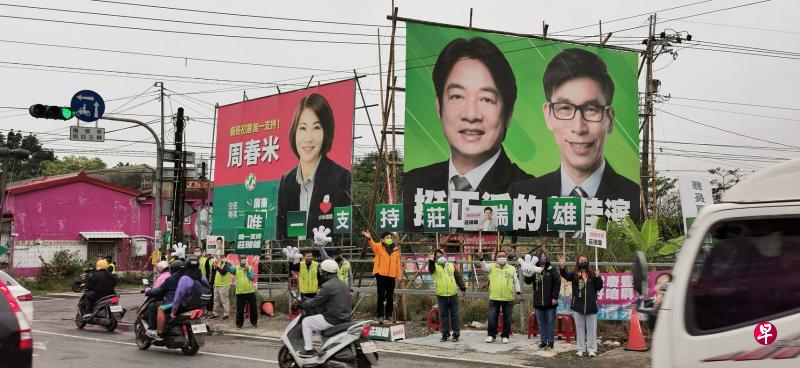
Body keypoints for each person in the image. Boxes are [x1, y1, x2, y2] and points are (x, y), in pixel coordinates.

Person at [403, 36, 533, 232]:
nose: (471, 115)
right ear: (439, 106)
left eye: (486, 99)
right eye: (457, 96)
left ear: (508, 113)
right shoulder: (411, 185)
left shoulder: (530, 192)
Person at [509, 48, 640, 224]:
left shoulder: (633, 197)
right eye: (565, 108)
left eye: (591, 109)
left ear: (609, 119)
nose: (579, 128)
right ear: (548, 116)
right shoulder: (522, 195)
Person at [276, 93, 352, 239]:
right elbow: (281, 235)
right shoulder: (286, 182)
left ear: (326, 132)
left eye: (316, 128)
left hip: (324, 259)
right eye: (303, 128)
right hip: (294, 259)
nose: (308, 138)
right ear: (294, 132)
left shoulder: (340, 177)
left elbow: (341, 234)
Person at [298, 259, 352, 357]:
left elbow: (316, 302)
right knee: (317, 320)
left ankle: (309, 350)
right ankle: (323, 349)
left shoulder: (327, 286)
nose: (321, 272)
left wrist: (303, 304)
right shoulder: (343, 284)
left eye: (322, 271)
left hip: (333, 318)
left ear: (325, 272)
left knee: (306, 322)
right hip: (346, 318)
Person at [558, 254, 603, 357]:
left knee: (591, 329)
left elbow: (599, 286)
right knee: (579, 328)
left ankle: (592, 349)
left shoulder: (592, 274)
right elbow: (565, 275)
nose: (583, 262)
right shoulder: (574, 274)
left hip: (591, 307)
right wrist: (562, 266)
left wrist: (598, 277)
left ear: (588, 262)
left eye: (585, 260)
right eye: (581, 260)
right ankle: (580, 349)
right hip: (578, 307)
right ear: (578, 262)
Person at [478, 249, 521, 343]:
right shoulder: (492, 267)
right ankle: (491, 335)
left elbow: (516, 281)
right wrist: (481, 258)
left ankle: (505, 336)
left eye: (503, 256)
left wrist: (518, 292)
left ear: (506, 258)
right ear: (496, 258)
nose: (502, 258)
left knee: (507, 318)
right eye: (500, 256)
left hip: (508, 297)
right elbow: (484, 267)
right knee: (492, 317)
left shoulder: (511, 268)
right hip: (494, 297)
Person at [361, 230, 402, 323]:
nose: (389, 239)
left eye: (390, 238)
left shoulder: (395, 250)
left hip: (391, 275)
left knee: (390, 296)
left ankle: (389, 315)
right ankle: (380, 316)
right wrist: (369, 238)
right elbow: (372, 244)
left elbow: (397, 264)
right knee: (381, 296)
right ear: (382, 239)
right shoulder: (378, 247)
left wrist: (398, 275)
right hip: (381, 275)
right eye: (387, 238)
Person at [427, 249, 466, 342]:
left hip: (453, 294)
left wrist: (462, 287)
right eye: (438, 256)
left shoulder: (451, 265)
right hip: (441, 295)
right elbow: (430, 269)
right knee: (443, 316)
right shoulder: (434, 267)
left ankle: (456, 333)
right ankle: (445, 334)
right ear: (435, 258)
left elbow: (457, 276)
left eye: (441, 255)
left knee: (455, 315)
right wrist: (431, 260)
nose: (440, 257)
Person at [525, 249, 561, 349]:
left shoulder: (552, 269)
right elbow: (528, 281)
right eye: (541, 256)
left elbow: (557, 283)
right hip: (538, 301)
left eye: (544, 256)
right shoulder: (534, 269)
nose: (542, 258)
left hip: (550, 302)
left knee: (550, 322)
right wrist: (527, 273)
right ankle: (543, 341)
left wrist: (555, 297)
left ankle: (550, 342)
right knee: (541, 323)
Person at [145, 260, 184, 339]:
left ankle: (157, 331)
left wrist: (148, 291)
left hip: (173, 303)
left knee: (154, 306)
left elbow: (160, 290)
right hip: (186, 303)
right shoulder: (187, 278)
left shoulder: (171, 279)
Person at [170, 257, 212, 321]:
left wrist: (173, 311)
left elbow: (178, 296)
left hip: (186, 307)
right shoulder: (203, 277)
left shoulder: (184, 279)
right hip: (201, 308)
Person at [227, 256, 257, 329]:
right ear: (239, 260)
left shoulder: (249, 267)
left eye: (244, 258)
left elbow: (252, 278)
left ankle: (254, 323)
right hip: (240, 292)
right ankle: (239, 325)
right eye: (241, 258)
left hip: (250, 291)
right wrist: (227, 264)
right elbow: (229, 269)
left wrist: (248, 271)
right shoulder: (236, 268)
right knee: (240, 310)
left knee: (253, 308)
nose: (243, 260)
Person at [211, 255, 232, 320]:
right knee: (216, 300)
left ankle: (226, 314)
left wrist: (217, 267)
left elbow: (223, 272)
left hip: (224, 285)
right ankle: (215, 313)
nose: (221, 258)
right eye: (221, 257)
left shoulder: (228, 264)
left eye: (223, 257)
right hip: (217, 284)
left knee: (224, 300)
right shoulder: (219, 263)